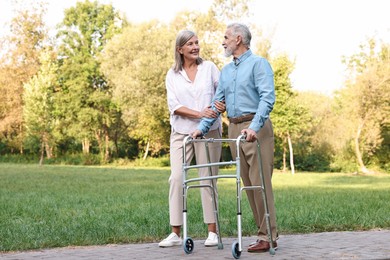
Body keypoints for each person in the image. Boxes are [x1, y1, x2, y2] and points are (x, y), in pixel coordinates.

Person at [191, 23, 278, 253]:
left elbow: (267, 99)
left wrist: (255, 128)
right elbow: (217, 104)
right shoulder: (227, 71)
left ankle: (268, 235)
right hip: (234, 129)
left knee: (260, 183)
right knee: (248, 185)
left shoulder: (259, 64)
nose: (223, 41)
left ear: (238, 39)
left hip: (255, 128)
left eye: (226, 37)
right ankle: (263, 235)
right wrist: (201, 128)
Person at [159, 30, 226, 248]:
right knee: (177, 178)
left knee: (208, 178)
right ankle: (175, 233)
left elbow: (221, 95)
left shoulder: (210, 68)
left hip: (209, 131)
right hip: (181, 132)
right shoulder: (172, 74)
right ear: (180, 49)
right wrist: (199, 113)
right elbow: (175, 106)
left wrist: (217, 109)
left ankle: (212, 232)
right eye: (190, 44)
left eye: (197, 42)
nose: (195, 47)